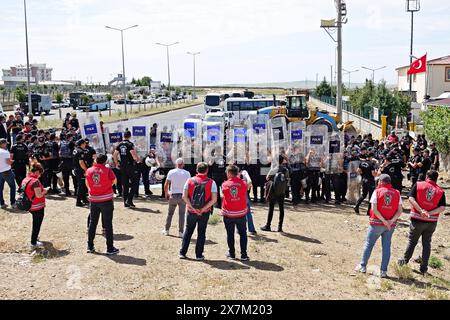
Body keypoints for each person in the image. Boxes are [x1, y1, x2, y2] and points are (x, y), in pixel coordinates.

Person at [397, 170, 446, 275]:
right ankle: (424, 268)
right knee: (427, 244)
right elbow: (442, 207)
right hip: (431, 221)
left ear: (427, 176)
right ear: (436, 178)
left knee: (412, 242)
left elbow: (410, 198)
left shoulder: (419, 185)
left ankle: (404, 262)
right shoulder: (440, 191)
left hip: (417, 219)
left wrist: (421, 210)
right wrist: (430, 213)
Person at [355, 174, 403, 278]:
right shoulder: (397, 193)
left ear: (381, 182)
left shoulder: (377, 192)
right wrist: (390, 221)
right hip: (390, 225)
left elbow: (374, 209)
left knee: (369, 244)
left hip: (376, 223)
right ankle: (383, 271)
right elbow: (399, 211)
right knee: (386, 247)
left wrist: (383, 220)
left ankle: (362, 266)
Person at [179, 162, 217, 261]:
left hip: (191, 211)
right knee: (201, 232)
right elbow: (214, 199)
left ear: (196, 170)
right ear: (207, 170)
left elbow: (184, 196)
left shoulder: (189, 180)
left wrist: (192, 207)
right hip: (205, 212)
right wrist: (203, 209)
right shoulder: (212, 182)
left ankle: (182, 252)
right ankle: (199, 255)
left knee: (188, 231)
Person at [85, 154, 119, 255]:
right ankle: (110, 248)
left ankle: (90, 246)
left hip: (94, 199)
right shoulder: (108, 170)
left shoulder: (89, 170)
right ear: (105, 161)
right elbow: (114, 181)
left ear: (96, 160)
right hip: (106, 199)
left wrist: (93, 189)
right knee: (108, 224)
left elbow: (87, 182)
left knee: (92, 223)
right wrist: (106, 186)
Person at [220, 165, 250, 261]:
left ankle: (232, 253)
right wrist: (246, 176)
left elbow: (223, 195)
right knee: (243, 234)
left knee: (230, 234)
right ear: (237, 173)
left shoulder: (224, 184)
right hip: (241, 213)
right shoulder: (243, 183)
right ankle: (244, 254)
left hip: (229, 213)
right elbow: (249, 184)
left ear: (229, 173)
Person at [162, 158, 191, 237]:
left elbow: (166, 184)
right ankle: (181, 232)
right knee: (182, 214)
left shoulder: (171, 172)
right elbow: (189, 186)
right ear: (182, 164)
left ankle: (166, 230)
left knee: (170, 213)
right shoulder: (187, 173)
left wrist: (166, 193)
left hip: (173, 194)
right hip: (182, 195)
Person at [261, 155, 290, 233]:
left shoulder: (274, 169)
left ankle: (268, 225)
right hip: (282, 191)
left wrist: (271, 168)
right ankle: (280, 227)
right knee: (281, 208)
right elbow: (287, 180)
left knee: (271, 208)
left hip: (273, 191)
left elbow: (267, 178)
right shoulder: (285, 169)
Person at [22, 163, 47, 248]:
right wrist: (45, 191)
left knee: (35, 223)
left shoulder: (26, 179)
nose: (40, 175)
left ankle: (35, 238)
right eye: (40, 173)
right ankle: (33, 242)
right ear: (37, 172)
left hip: (29, 205)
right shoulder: (35, 181)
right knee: (36, 224)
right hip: (37, 206)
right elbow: (39, 195)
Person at [113, 130, 140, 208]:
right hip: (130, 166)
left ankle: (125, 202)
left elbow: (114, 155)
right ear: (130, 136)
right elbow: (133, 155)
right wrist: (137, 159)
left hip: (123, 166)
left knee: (125, 185)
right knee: (135, 183)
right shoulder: (130, 144)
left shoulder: (119, 144)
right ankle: (129, 199)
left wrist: (116, 163)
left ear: (123, 136)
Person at [0, 138, 17, 209]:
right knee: (13, 187)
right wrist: (12, 161)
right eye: (5, 143)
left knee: (0, 188)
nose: (6, 144)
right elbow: (8, 162)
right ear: (2, 144)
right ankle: (13, 203)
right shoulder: (5, 152)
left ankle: (2, 203)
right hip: (6, 171)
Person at [74, 139, 89, 207]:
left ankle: (84, 199)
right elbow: (81, 162)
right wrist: (86, 170)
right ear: (82, 144)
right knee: (81, 186)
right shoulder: (80, 151)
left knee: (82, 185)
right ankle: (78, 202)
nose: (85, 145)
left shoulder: (75, 150)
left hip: (76, 169)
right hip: (80, 170)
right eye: (84, 143)